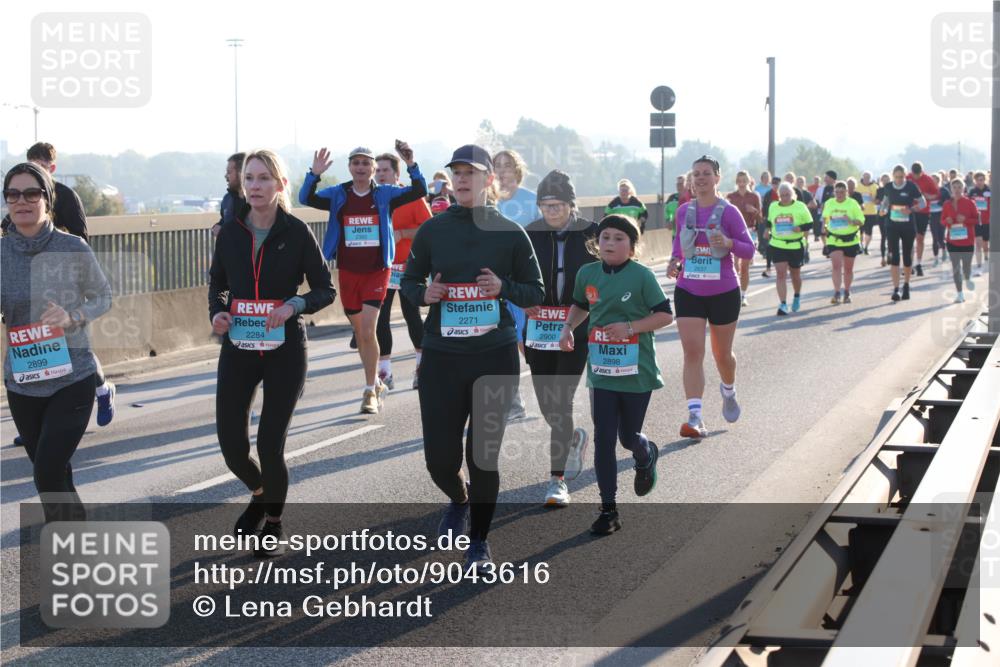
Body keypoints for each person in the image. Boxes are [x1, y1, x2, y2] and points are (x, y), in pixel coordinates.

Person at [400, 144, 544, 571]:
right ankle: (458, 497)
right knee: (439, 460)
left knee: (483, 455)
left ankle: (479, 541)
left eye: (471, 173)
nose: (462, 179)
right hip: (443, 356)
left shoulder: (510, 232)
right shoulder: (433, 230)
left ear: (488, 180)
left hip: (493, 355)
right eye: (457, 173)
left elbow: (535, 292)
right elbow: (408, 281)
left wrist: (503, 288)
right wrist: (424, 294)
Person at [210, 149, 335, 557]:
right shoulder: (230, 232)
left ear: (281, 185)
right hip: (239, 347)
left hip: (285, 349)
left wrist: (294, 305)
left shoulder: (296, 232)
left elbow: (325, 289)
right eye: (249, 178)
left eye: (264, 178)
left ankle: (275, 522)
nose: (255, 186)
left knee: (269, 445)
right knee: (232, 447)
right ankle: (261, 494)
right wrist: (218, 313)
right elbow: (219, 286)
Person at [2, 162, 112, 522]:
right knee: (55, 475)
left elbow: (103, 297)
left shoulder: (72, 247)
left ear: (47, 200)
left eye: (31, 193)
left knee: (47, 473)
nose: (22, 201)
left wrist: (72, 316)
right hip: (23, 382)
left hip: (72, 378)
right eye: (13, 194)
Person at [559, 214, 672, 534]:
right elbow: (581, 305)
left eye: (619, 238)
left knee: (627, 437)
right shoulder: (587, 273)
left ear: (633, 247)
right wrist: (568, 328)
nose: (610, 243)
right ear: (597, 243)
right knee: (604, 437)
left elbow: (665, 315)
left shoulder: (642, 276)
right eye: (605, 237)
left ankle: (645, 452)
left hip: (637, 370)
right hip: (602, 370)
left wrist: (630, 328)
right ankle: (608, 510)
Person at [299, 143, 426, 414]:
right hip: (348, 271)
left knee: (368, 330)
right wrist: (314, 174)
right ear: (349, 167)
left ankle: (369, 390)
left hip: (377, 271)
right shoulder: (339, 193)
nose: (361, 167)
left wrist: (411, 164)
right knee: (361, 333)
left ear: (372, 168)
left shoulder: (385, 194)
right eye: (356, 163)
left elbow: (419, 191)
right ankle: (376, 383)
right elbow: (305, 198)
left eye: (366, 163)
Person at [10, 142, 116, 430]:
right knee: (39, 344)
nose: (35, 173)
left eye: (41, 167)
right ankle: (40, 417)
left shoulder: (66, 196)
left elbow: (81, 237)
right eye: (31, 166)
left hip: (64, 280)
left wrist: (51, 242)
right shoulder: (20, 203)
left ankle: (101, 389)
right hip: (29, 283)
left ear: (52, 168)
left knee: (71, 344)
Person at [523, 170, 597, 506]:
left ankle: (557, 480)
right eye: (545, 205)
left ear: (571, 204)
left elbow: (610, 270)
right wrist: (522, 301)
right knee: (546, 402)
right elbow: (514, 276)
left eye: (558, 204)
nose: (551, 211)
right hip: (538, 329)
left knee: (562, 399)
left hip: (576, 326)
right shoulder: (529, 234)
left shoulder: (592, 232)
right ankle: (572, 438)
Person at [669, 156, 755, 439]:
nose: (701, 178)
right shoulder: (684, 211)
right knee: (693, 352)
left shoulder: (729, 212)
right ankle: (695, 417)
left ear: (718, 178)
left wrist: (728, 243)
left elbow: (749, 249)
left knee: (722, 355)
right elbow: (678, 244)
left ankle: (728, 390)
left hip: (723, 292)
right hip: (689, 290)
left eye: (706, 173)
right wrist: (674, 261)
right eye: (696, 174)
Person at [373, 152, 431, 391]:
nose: (380, 174)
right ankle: (385, 372)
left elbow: (429, 228)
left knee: (411, 315)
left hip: (408, 267)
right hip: (383, 267)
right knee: (381, 318)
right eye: (377, 170)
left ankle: (422, 368)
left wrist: (403, 234)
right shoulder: (372, 197)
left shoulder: (411, 197)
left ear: (397, 175)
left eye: (385, 170)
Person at [494, 149, 540, 421]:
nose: (502, 171)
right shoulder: (486, 202)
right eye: (497, 166)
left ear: (517, 170)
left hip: (524, 284)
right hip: (495, 285)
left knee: (529, 344)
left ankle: (550, 391)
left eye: (507, 166)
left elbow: (542, 242)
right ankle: (513, 402)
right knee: (503, 343)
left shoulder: (531, 201)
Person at [880, 164, 927, 302]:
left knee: (907, 256)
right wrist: (882, 210)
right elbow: (885, 202)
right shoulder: (888, 187)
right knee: (894, 257)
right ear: (893, 176)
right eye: (896, 177)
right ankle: (896, 289)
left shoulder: (911, 187)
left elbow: (923, 203)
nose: (899, 179)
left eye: (901, 177)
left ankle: (906, 285)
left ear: (905, 176)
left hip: (907, 226)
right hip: (892, 225)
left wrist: (911, 210)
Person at [766, 183, 813, 315]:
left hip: (795, 245)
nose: (785, 198)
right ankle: (783, 304)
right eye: (782, 195)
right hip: (778, 244)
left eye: (787, 195)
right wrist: (767, 230)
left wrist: (800, 228)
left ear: (792, 195)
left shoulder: (800, 206)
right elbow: (769, 221)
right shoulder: (773, 206)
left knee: (795, 274)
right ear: (779, 196)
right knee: (780, 274)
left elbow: (810, 223)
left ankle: (797, 296)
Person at [821, 181, 865, 304]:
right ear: (834, 192)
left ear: (846, 192)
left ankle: (847, 291)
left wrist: (851, 221)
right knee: (836, 266)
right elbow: (825, 217)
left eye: (842, 192)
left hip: (850, 240)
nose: (839, 195)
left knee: (848, 269)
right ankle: (836, 292)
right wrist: (824, 227)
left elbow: (861, 221)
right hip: (834, 239)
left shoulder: (853, 203)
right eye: (837, 192)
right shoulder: (829, 203)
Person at [726, 170, 762, 306]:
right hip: (734, 233)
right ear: (736, 182)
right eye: (739, 181)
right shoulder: (731, 197)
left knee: (745, 266)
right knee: (734, 265)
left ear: (749, 181)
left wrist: (754, 211)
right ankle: (734, 292)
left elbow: (761, 218)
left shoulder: (754, 197)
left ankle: (743, 295)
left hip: (750, 231)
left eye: (744, 181)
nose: (742, 184)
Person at [941, 178, 978, 303]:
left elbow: (976, 220)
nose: (957, 190)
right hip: (952, 241)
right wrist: (947, 221)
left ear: (964, 189)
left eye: (959, 187)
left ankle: (968, 277)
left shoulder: (970, 203)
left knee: (966, 268)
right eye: (954, 187)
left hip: (967, 241)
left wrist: (965, 220)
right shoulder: (947, 204)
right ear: (951, 189)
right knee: (956, 268)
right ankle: (960, 294)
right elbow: (942, 220)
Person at [907, 162, 939, 277]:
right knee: (909, 238)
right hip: (910, 211)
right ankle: (908, 264)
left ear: (922, 172)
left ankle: (919, 264)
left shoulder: (928, 179)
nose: (916, 177)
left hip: (923, 212)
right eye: (914, 175)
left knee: (920, 238)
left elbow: (936, 195)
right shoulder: (907, 178)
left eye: (918, 175)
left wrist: (927, 196)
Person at [212, 152, 247, 238]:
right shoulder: (227, 199)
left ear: (241, 173)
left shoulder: (255, 201)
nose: (226, 176)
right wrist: (216, 227)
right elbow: (224, 221)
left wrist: (224, 231)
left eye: (229, 172)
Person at [968, 170, 991, 276]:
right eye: (977, 180)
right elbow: (968, 205)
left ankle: (986, 257)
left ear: (985, 180)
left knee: (985, 244)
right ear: (975, 181)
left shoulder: (989, 191)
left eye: (981, 180)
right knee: (978, 243)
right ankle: (978, 265)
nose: (979, 182)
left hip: (987, 221)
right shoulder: (972, 192)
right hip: (976, 221)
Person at [928, 173, 951, 267]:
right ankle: (936, 259)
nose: (932, 181)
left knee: (941, 238)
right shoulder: (928, 191)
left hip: (941, 215)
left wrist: (940, 202)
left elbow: (949, 201)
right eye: (931, 179)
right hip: (932, 216)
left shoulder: (944, 190)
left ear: (938, 180)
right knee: (935, 238)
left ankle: (944, 250)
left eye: (934, 179)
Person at [857, 172, 880, 256]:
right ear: (862, 177)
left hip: (871, 213)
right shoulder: (857, 186)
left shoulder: (875, 187)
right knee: (860, 231)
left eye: (868, 177)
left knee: (869, 232)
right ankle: (860, 246)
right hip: (859, 213)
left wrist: (873, 199)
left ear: (871, 178)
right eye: (865, 177)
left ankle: (866, 247)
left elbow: (878, 200)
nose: (866, 178)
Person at [875, 173, 892, 266]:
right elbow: (876, 201)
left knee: (890, 236)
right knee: (883, 236)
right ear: (881, 181)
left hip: (891, 214)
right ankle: (882, 258)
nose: (885, 181)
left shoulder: (892, 189)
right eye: (884, 180)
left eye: (887, 180)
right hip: (882, 214)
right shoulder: (879, 190)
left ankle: (889, 254)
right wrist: (878, 201)